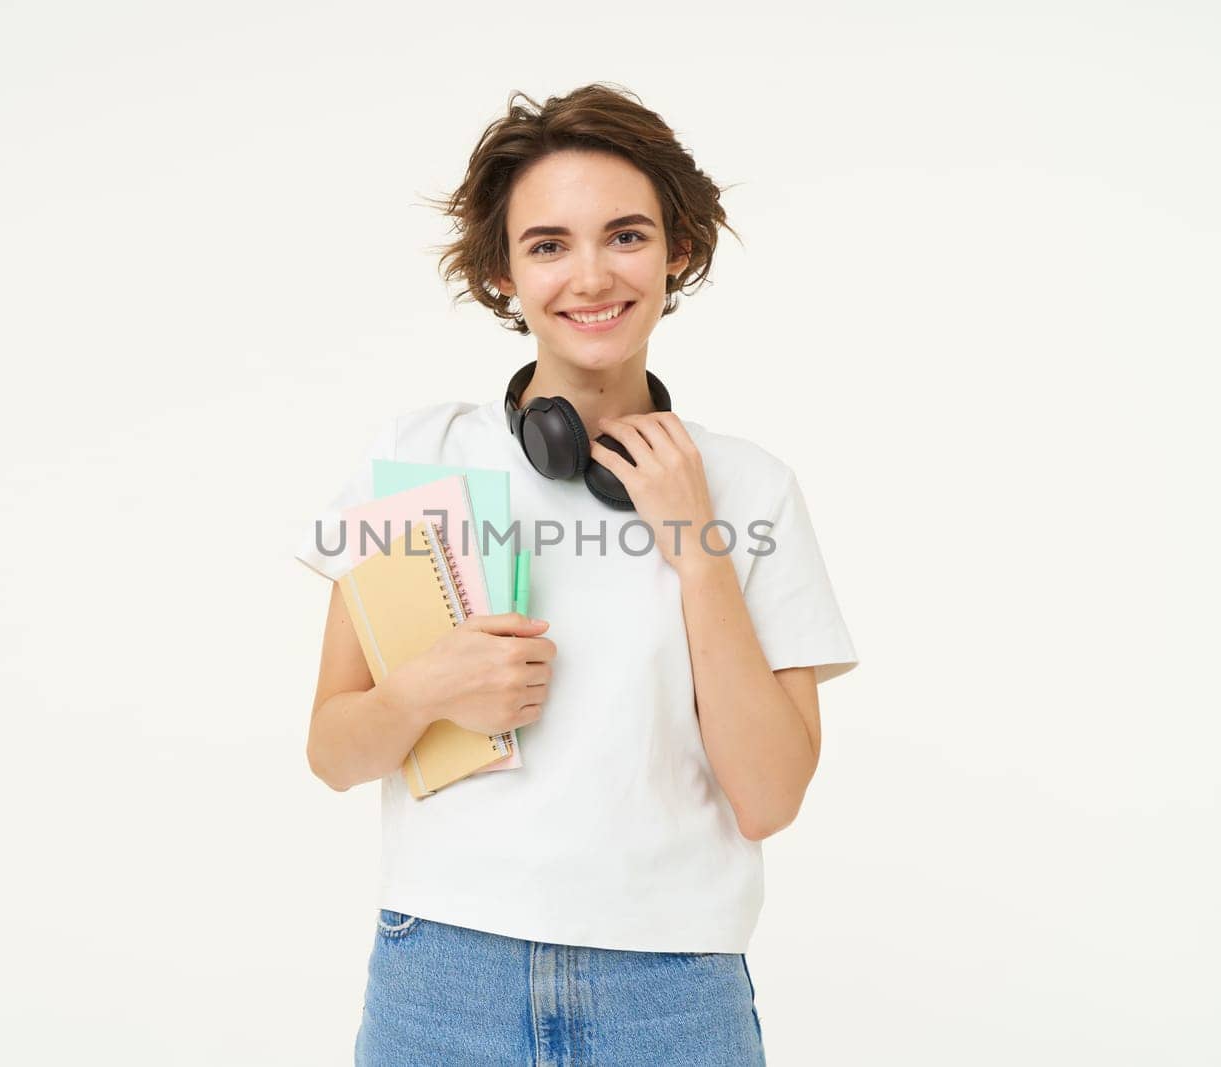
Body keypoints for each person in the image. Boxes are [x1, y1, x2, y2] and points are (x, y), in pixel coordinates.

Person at [294, 83, 858, 1067]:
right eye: (548, 244)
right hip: (442, 972)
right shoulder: (423, 454)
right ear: (501, 274)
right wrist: (432, 687)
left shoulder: (750, 487)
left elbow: (767, 795)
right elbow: (335, 751)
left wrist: (695, 547)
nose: (589, 275)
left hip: (671, 986)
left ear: (678, 249)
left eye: (626, 235)